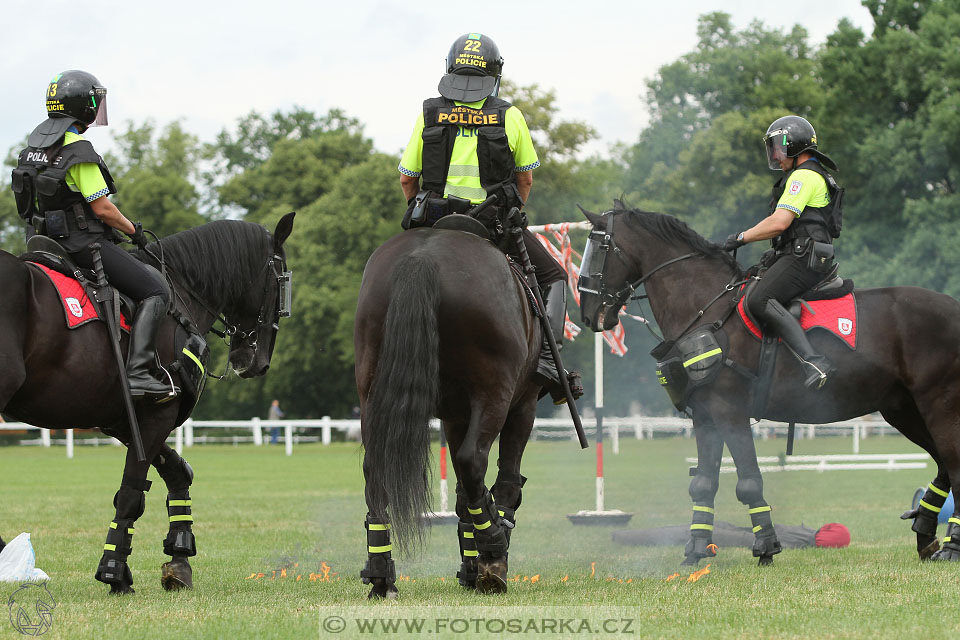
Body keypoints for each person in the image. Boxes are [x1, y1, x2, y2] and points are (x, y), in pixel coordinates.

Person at [397, 33, 580, 404]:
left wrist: (424, 209)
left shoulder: (428, 112)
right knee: (555, 276)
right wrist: (512, 213)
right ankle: (548, 361)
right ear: (495, 72)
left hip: (434, 222)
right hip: (491, 223)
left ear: (450, 69)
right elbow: (525, 177)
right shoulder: (509, 115)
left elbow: (406, 178)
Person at [11, 70, 173, 398]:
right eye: (95, 104)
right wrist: (134, 231)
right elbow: (103, 210)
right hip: (81, 245)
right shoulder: (78, 151)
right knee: (155, 291)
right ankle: (139, 373)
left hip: (41, 242)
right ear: (84, 108)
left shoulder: (33, 149)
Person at [722, 115, 844, 389]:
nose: (775, 157)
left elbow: (779, 223)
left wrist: (740, 238)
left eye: (778, 147)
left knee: (759, 300)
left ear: (794, 145)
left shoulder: (803, 176)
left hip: (804, 259)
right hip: (805, 254)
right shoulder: (812, 174)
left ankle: (814, 361)